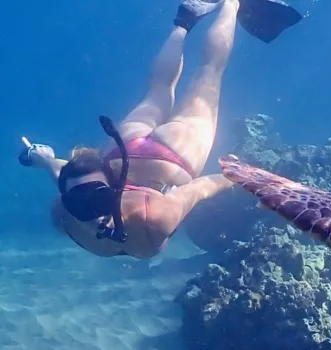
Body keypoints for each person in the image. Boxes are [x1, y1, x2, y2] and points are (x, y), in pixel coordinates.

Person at [18, 0, 302, 259]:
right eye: (82, 204)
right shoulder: (69, 206)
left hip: (175, 155)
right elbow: (60, 170)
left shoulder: (153, 219)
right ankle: (185, 21)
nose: (93, 216)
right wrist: (40, 156)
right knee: (160, 88)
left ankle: (231, 3)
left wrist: (243, 176)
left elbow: (201, 188)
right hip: (126, 147)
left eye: (94, 200)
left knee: (208, 74)